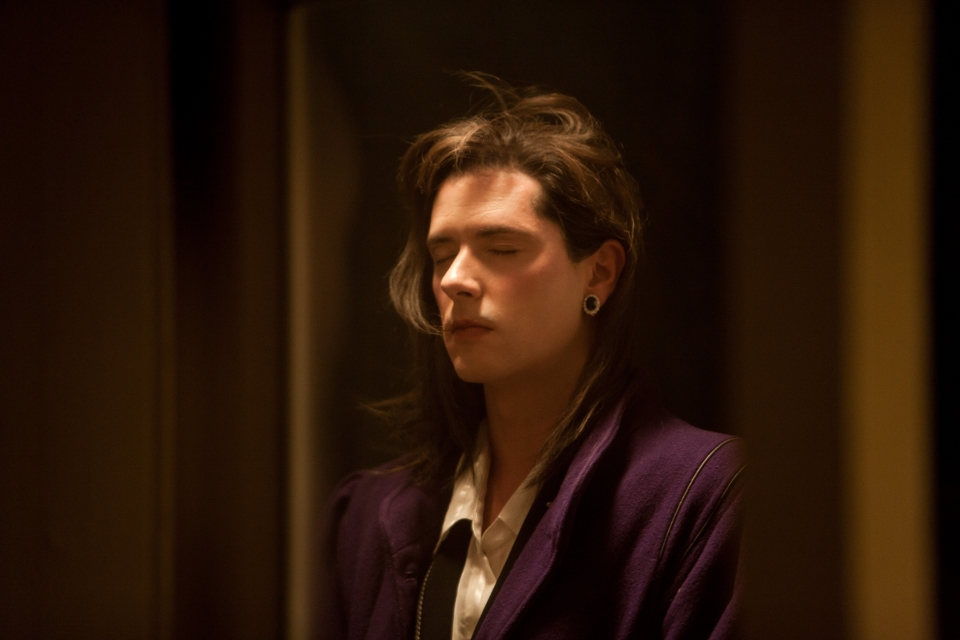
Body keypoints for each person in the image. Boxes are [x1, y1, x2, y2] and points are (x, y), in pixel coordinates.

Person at [321, 74, 744, 640]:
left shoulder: (703, 496)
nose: (455, 279)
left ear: (599, 272)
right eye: (441, 254)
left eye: (501, 249)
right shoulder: (367, 516)